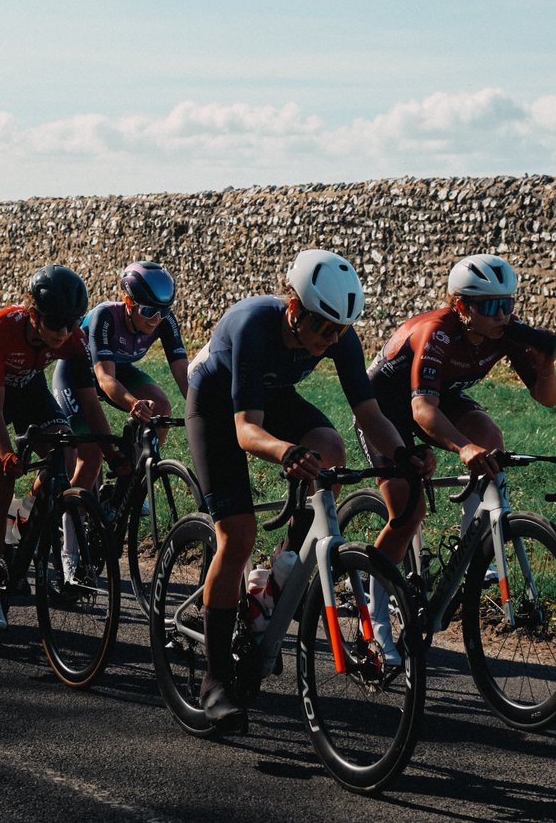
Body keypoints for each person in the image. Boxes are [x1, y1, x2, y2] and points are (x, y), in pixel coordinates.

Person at [185, 249, 435, 732]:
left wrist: (403, 456)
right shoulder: (254, 326)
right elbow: (244, 431)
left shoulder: (338, 333)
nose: (332, 339)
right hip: (218, 408)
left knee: (330, 448)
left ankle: (279, 572)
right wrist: (283, 452)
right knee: (236, 536)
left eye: (341, 330)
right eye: (324, 328)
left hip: (271, 397)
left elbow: (370, 415)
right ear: (294, 307)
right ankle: (213, 682)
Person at [360, 253, 556, 661]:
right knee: (407, 512)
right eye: (491, 306)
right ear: (461, 306)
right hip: (385, 409)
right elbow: (422, 411)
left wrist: (546, 368)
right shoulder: (438, 332)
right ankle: (375, 620)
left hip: (439, 396)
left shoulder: (507, 332)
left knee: (490, 436)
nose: (503, 314)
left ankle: (471, 553)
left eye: (508, 303)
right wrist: (462, 448)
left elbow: (547, 399)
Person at [0, 264, 126, 632]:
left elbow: (90, 405)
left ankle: (21, 525)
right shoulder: (0, 328)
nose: (62, 332)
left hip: (28, 386)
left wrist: (112, 454)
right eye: (55, 323)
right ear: (33, 314)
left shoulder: (71, 339)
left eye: (71, 323)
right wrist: (5, 454)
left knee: (64, 450)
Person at [51, 260, 189, 492]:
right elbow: (104, 377)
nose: (156, 319)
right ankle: (62, 518)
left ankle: (130, 487)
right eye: (148, 311)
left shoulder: (164, 321)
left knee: (162, 407)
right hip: (76, 375)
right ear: (128, 302)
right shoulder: (105, 316)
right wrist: (133, 403)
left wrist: (203, 410)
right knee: (91, 457)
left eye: (163, 311)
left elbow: (183, 373)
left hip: (117, 368)